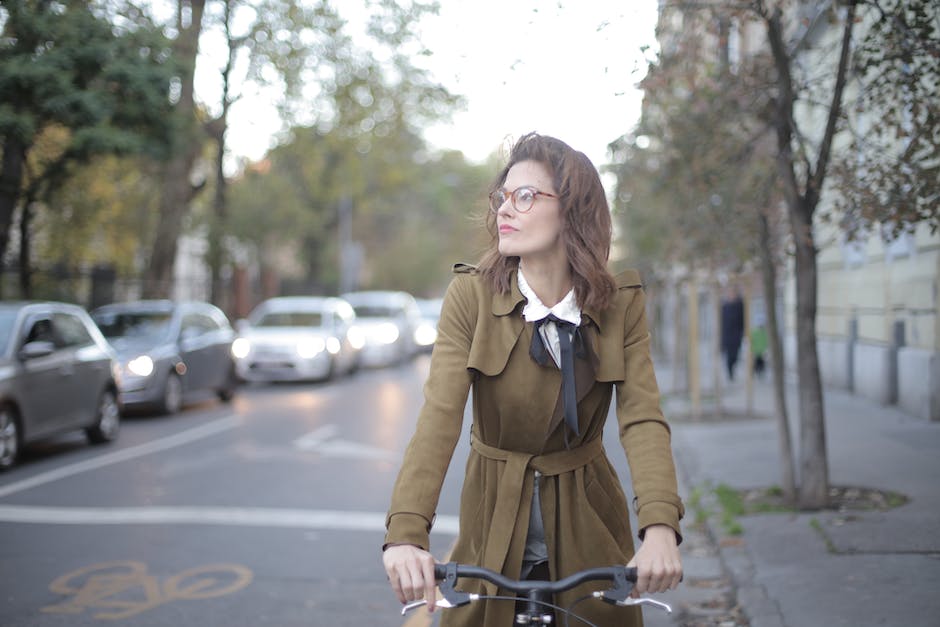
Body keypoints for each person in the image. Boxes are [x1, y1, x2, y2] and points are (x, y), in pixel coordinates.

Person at [382, 133, 683, 626]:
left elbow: (643, 419)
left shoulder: (621, 305)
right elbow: (438, 419)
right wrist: (406, 536)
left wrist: (660, 528)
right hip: (490, 522)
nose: (506, 208)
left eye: (526, 196)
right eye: (504, 196)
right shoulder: (471, 297)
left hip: (588, 524)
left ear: (572, 211)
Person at [720, 287, 745, 381]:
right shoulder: (725, 306)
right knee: (729, 356)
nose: (731, 295)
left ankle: (732, 369)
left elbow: (742, 320)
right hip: (727, 335)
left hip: (736, 335)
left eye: (733, 293)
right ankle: (730, 372)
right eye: (730, 293)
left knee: (735, 355)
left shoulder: (739, 305)